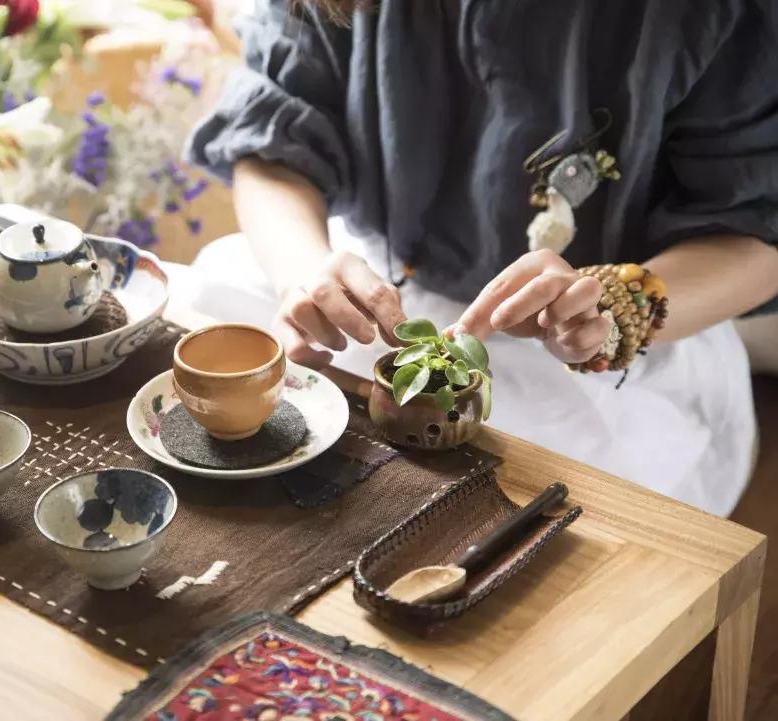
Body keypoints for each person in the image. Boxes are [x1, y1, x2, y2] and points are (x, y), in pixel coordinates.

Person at [184, 0, 778, 515]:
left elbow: (757, 236)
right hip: (369, 282)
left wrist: (613, 304)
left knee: (545, 506)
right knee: (209, 316)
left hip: (606, 340)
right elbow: (276, 143)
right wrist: (303, 270)